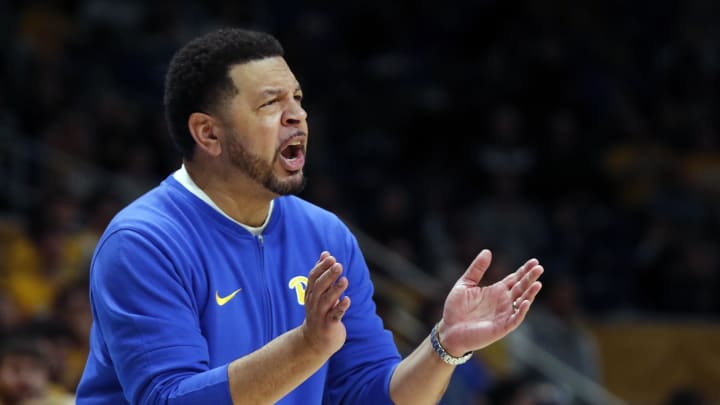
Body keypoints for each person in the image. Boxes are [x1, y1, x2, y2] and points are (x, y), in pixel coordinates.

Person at [76, 28, 543, 404]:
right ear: (208, 133)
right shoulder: (144, 242)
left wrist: (445, 345)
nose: (296, 116)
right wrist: (308, 346)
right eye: (270, 103)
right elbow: (169, 400)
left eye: (297, 99)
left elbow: (371, 392)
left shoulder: (325, 235)